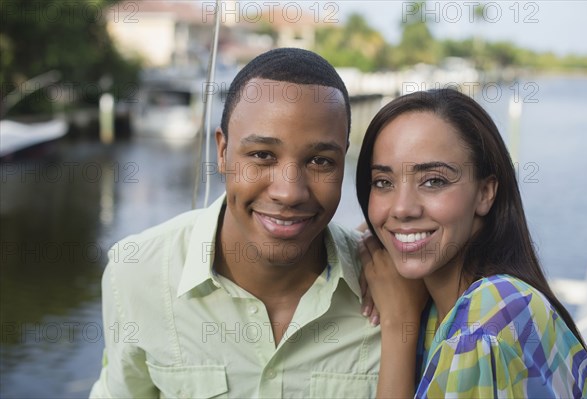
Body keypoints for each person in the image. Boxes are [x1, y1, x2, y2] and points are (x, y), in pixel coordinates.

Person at [90, 48, 395, 398]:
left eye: (320, 161)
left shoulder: (390, 287)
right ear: (222, 152)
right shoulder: (137, 273)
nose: (289, 192)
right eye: (262, 155)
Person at [356, 88, 587, 398]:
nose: (402, 208)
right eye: (383, 183)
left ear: (485, 193)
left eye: (434, 181)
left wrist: (398, 325)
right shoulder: (449, 309)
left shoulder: (485, 320)